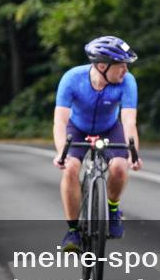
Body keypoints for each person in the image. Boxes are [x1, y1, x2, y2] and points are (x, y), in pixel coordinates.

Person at [53, 36, 143, 252]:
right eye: (121, 66)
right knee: (71, 169)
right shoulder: (72, 78)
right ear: (102, 66)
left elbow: (129, 121)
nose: (126, 71)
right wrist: (61, 153)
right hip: (77, 128)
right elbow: (60, 121)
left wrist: (134, 153)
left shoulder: (127, 82)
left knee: (120, 168)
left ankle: (112, 210)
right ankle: (73, 231)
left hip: (110, 128)